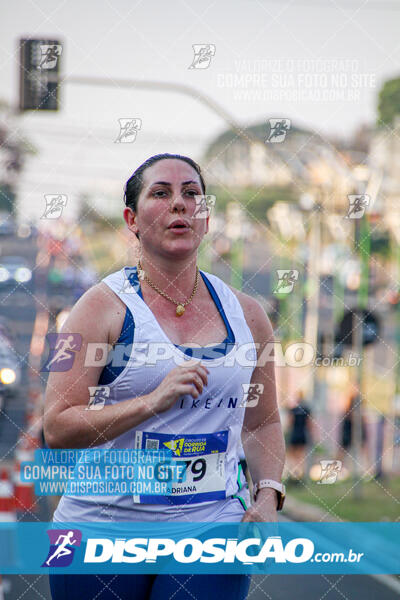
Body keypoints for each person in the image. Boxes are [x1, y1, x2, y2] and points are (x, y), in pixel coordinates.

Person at [44, 153, 285, 600]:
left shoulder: (249, 315)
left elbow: (263, 423)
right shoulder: (96, 309)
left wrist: (267, 494)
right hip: (103, 531)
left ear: (206, 218)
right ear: (132, 219)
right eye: (161, 193)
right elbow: (56, 426)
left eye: (192, 194)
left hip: (211, 526)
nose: (180, 204)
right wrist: (151, 401)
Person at [286, 390, 312, 482]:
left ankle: (294, 473)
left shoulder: (293, 410)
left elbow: (290, 422)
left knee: (292, 454)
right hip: (303, 433)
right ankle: (300, 474)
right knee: (301, 456)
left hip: (295, 433)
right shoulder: (306, 410)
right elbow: (309, 423)